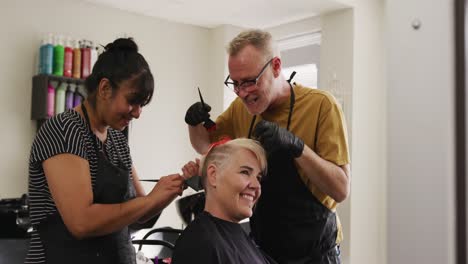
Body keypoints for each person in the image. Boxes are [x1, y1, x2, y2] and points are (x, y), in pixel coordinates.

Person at [184, 29, 351, 264]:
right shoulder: (240, 110)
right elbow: (204, 145)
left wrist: (298, 148)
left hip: (316, 253)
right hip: (266, 252)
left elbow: (341, 189)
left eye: (250, 82)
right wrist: (193, 124)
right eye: (236, 83)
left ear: (275, 66)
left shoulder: (321, 106)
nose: (242, 92)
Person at [26, 38, 196, 264]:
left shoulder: (117, 140)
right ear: (105, 88)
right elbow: (81, 222)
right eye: (132, 102)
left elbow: (139, 217)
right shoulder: (65, 130)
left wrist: (167, 192)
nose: (137, 114)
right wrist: (150, 200)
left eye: (142, 105)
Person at [172, 138, 276, 264]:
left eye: (258, 177)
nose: (256, 185)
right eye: (245, 172)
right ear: (213, 175)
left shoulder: (248, 244)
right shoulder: (199, 243)